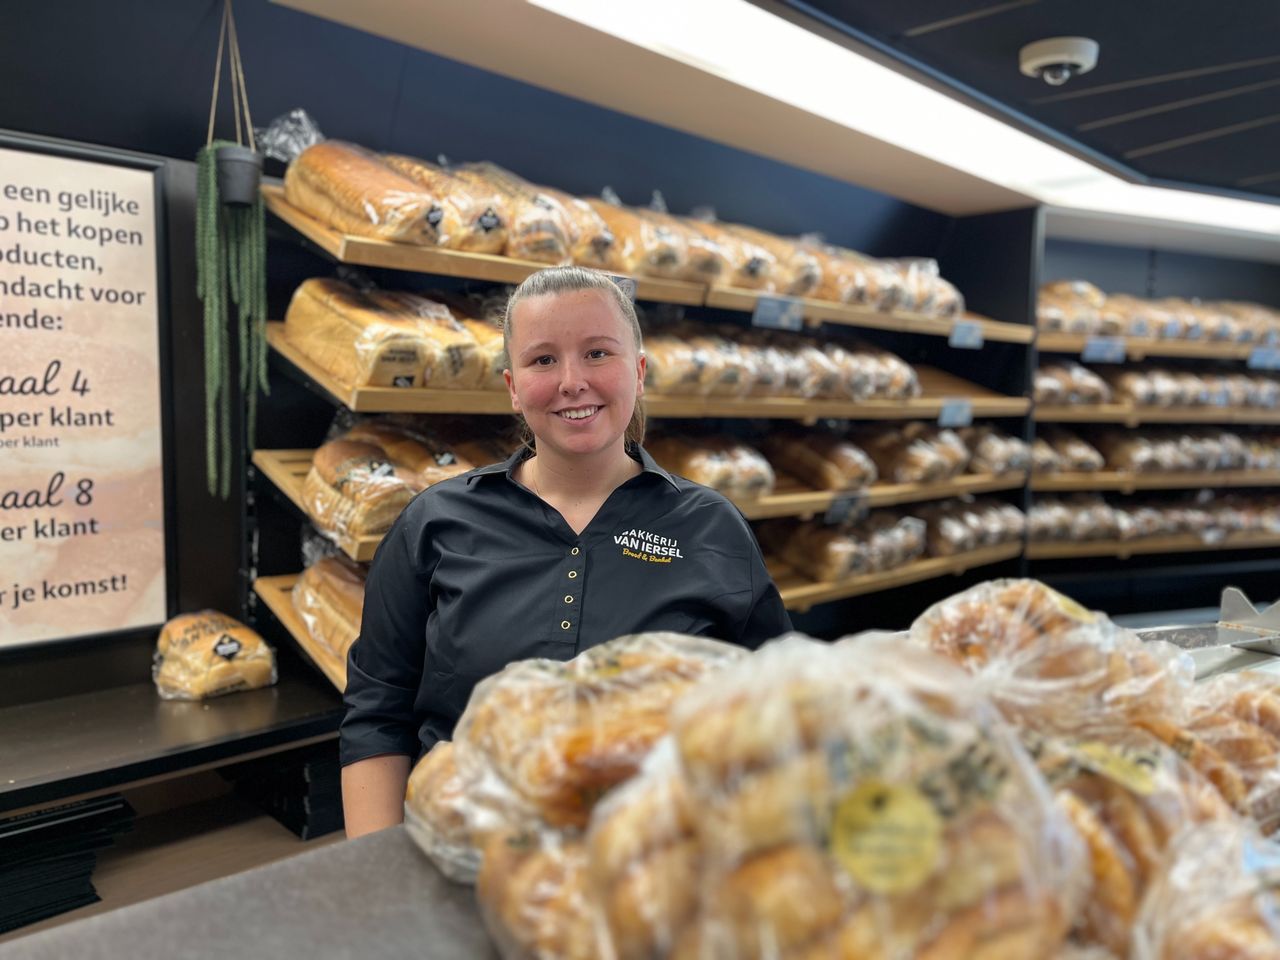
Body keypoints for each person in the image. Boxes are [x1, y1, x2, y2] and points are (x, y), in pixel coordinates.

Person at [340, 266, 791, 837]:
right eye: (543, 360)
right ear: (512, 387)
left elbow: (776, 713)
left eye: (598, 353)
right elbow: (378, 710)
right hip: (458, 851)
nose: (572, 382)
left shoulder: (711, 528)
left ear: (639, 372)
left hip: (647, 859)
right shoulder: (434, 522)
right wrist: (375, 874)